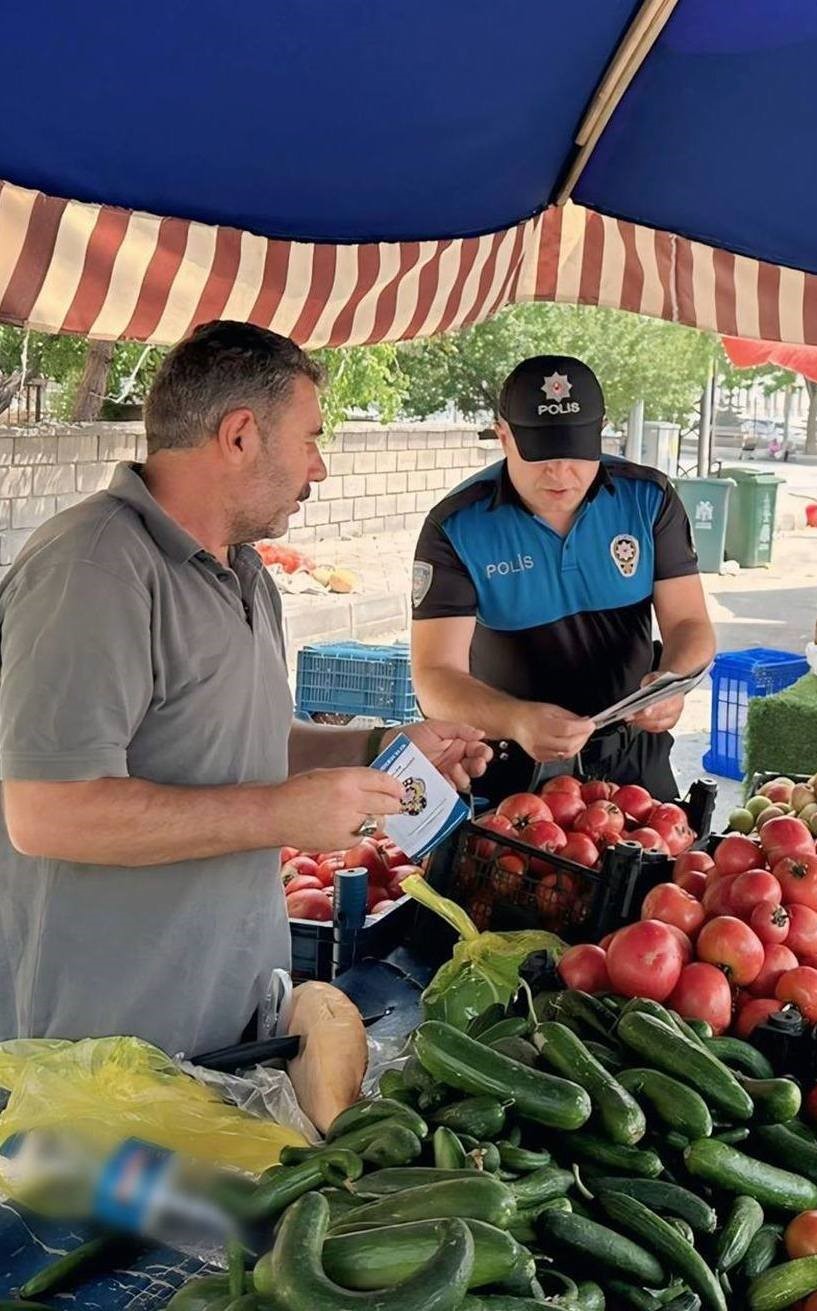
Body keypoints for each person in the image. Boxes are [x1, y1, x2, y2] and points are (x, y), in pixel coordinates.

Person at [0, 321, 491, 1057]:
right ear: (239, 435)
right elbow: (47, 813)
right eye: (310, 439)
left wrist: (379, 747)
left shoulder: (244, 570)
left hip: (224, 1012)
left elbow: (240, 737)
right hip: (101, 1047)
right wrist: (279, 813)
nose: (318, 468)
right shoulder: (94, 568)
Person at [410, 355, 715, 806]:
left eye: (574, 450)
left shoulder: (648, 500)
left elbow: (690, 623)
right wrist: (515, 719)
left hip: (633, 762)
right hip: (509, 770)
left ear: (600, 431)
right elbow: (435, 677)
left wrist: (674, 680)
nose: (559, 472)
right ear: (503, 436)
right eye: (540, 453)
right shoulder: (457, 526)